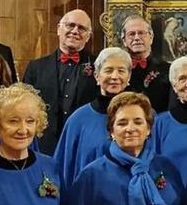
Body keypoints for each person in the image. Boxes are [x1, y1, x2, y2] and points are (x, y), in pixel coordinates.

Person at [22, 9, 98, 154]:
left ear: (88, 37)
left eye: (81, 28)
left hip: (84, 146)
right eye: (70, 25)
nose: (75, 31)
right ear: (58, 29)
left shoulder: (99, 68)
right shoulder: (36, 67)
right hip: (43, 147)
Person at [54, 47, 133, 185]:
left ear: (129, 77)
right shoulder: (78, 120)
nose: (114, 76)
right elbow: (63, 170)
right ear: (97, 76)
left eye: (121, 70)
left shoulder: (144, 117)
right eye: (108, 70)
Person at [122, 16, 172, 111]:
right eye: (131, 34)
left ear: (151, 37)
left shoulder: (167, 70)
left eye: (141, 33)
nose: (137, 38)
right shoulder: (118, 71)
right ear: (124, 40)